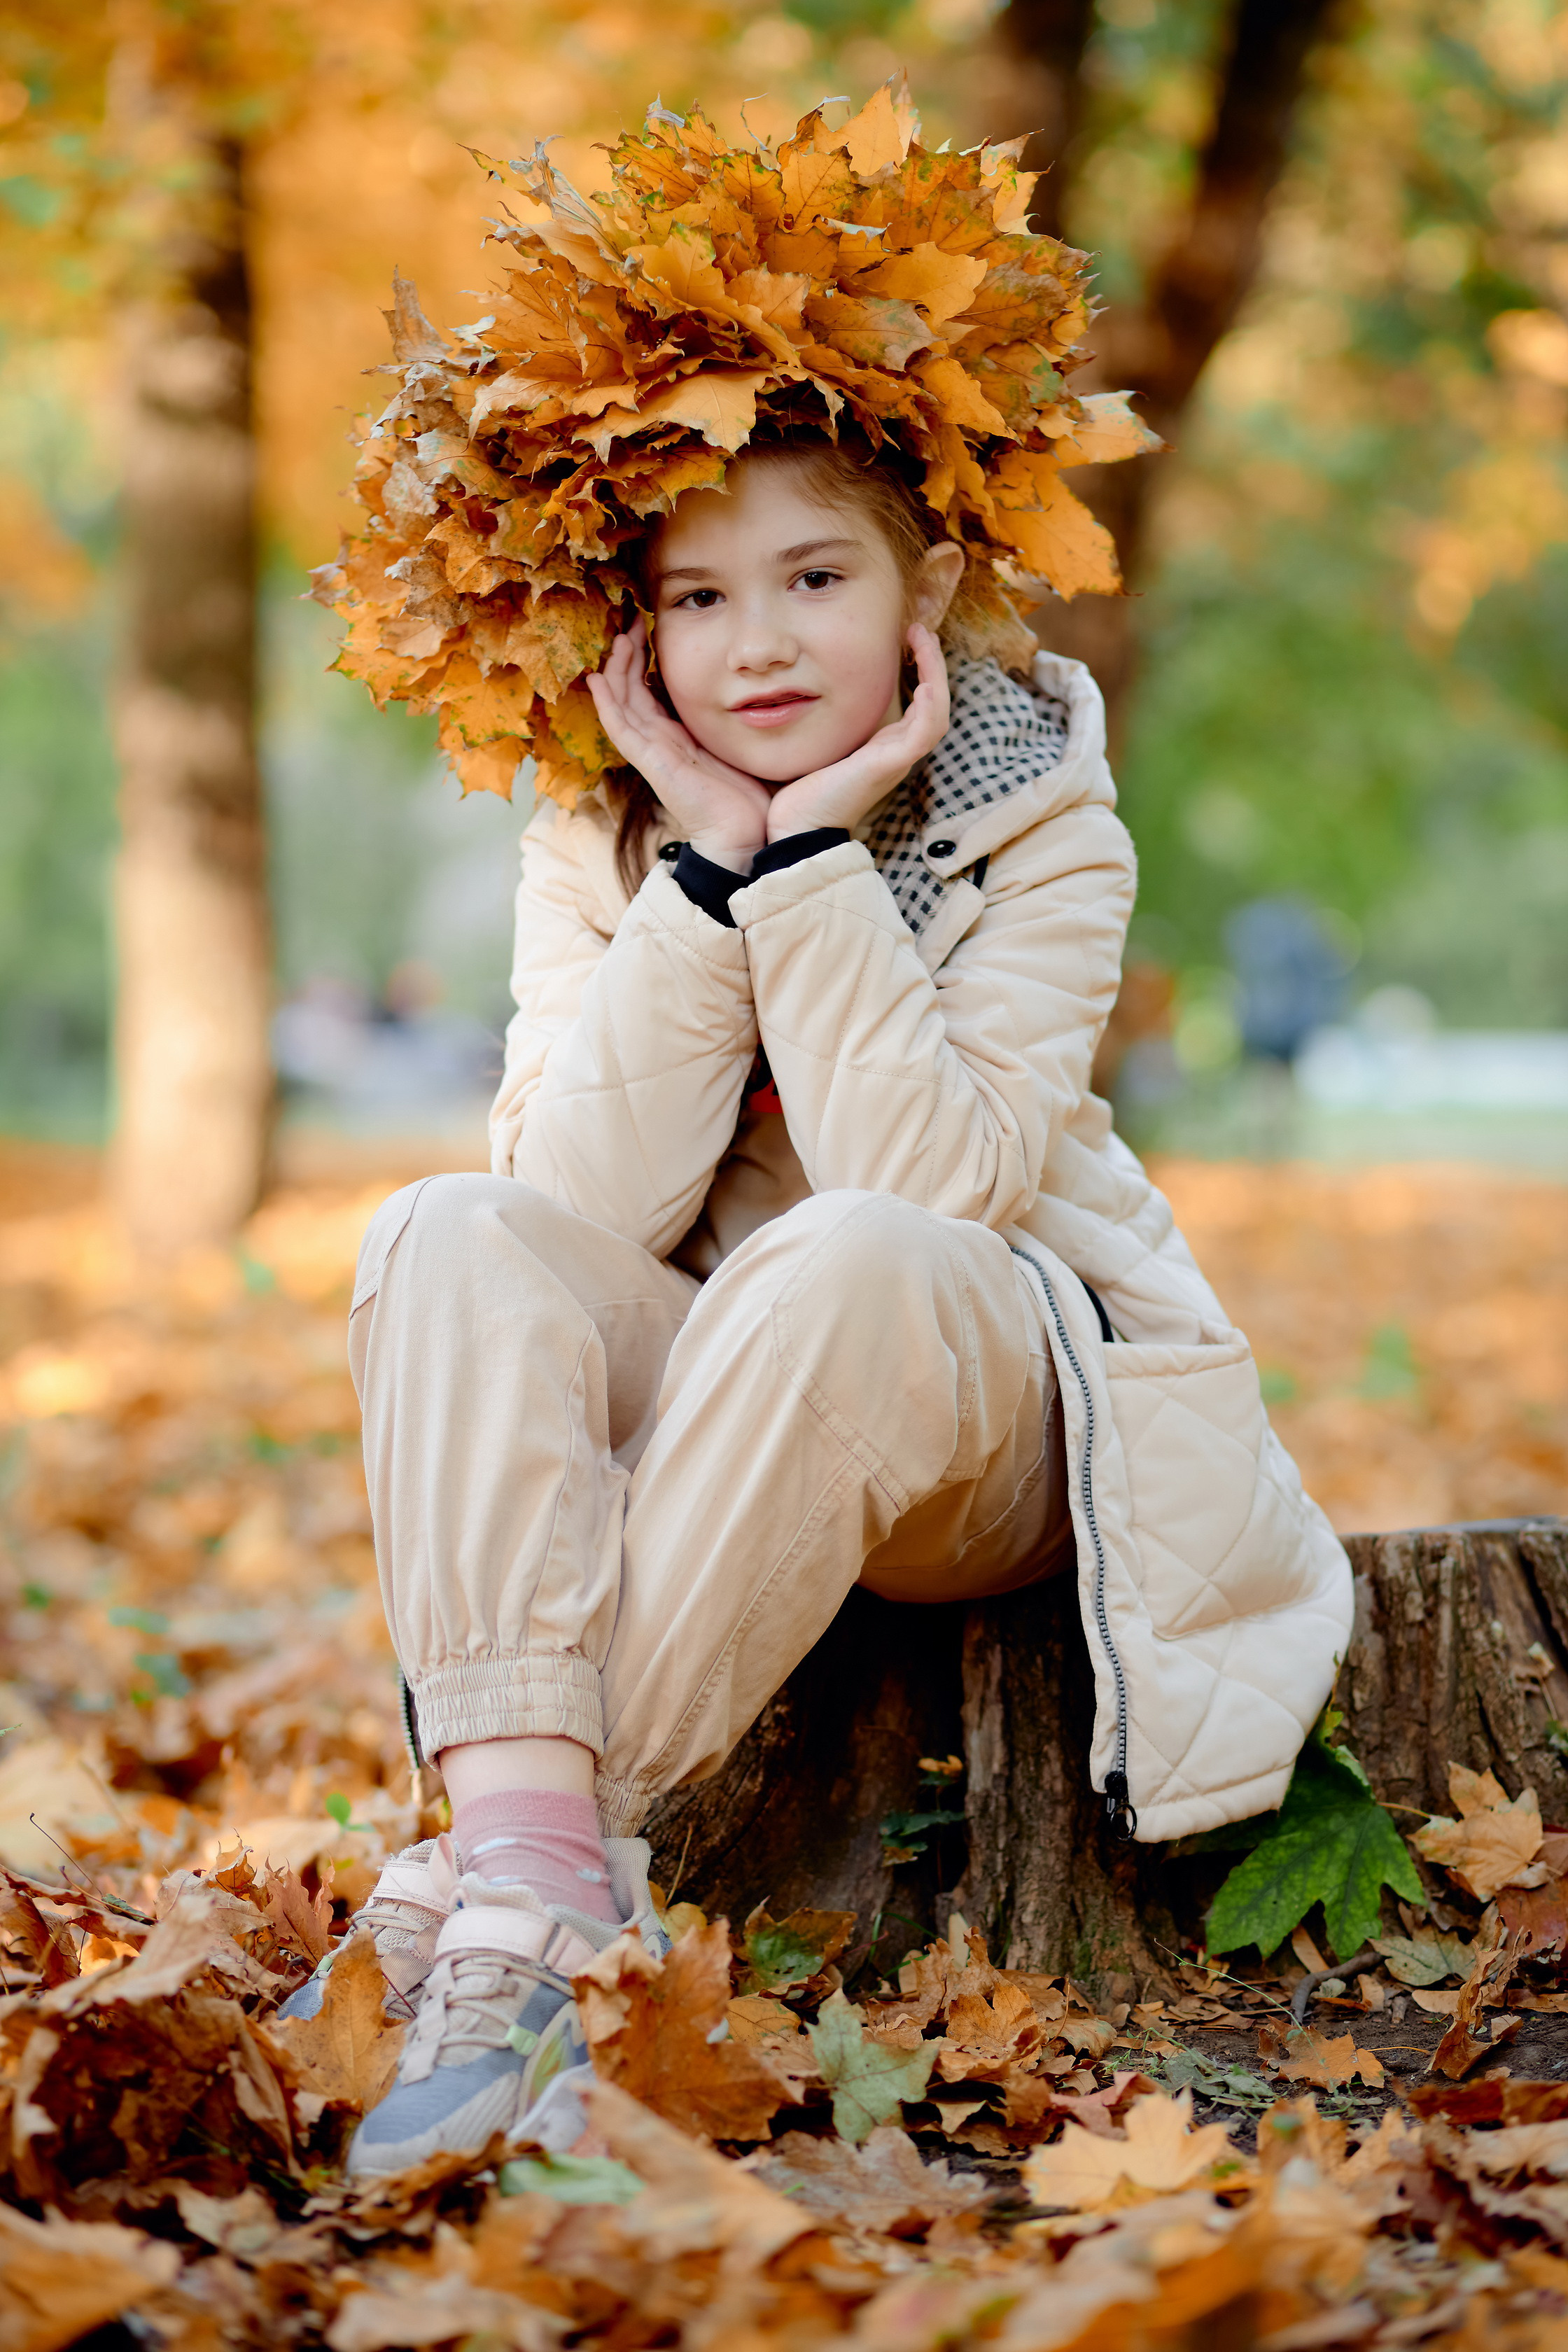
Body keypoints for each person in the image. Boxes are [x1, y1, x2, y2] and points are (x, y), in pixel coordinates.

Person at [296, 90, 1354, 2180]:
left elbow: (926, 1197)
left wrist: (811, 871)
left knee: (842, 1252)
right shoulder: (598, 839)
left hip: (992, 1400)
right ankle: (543, 1890)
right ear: (636, 635)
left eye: (812, 576)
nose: (759, 641)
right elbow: (574, 1211)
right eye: (697, 599)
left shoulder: (1041, 817)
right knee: (444, 1234)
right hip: (727, 1379)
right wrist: (705, 876)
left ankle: (516, 1863)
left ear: (925, 584)